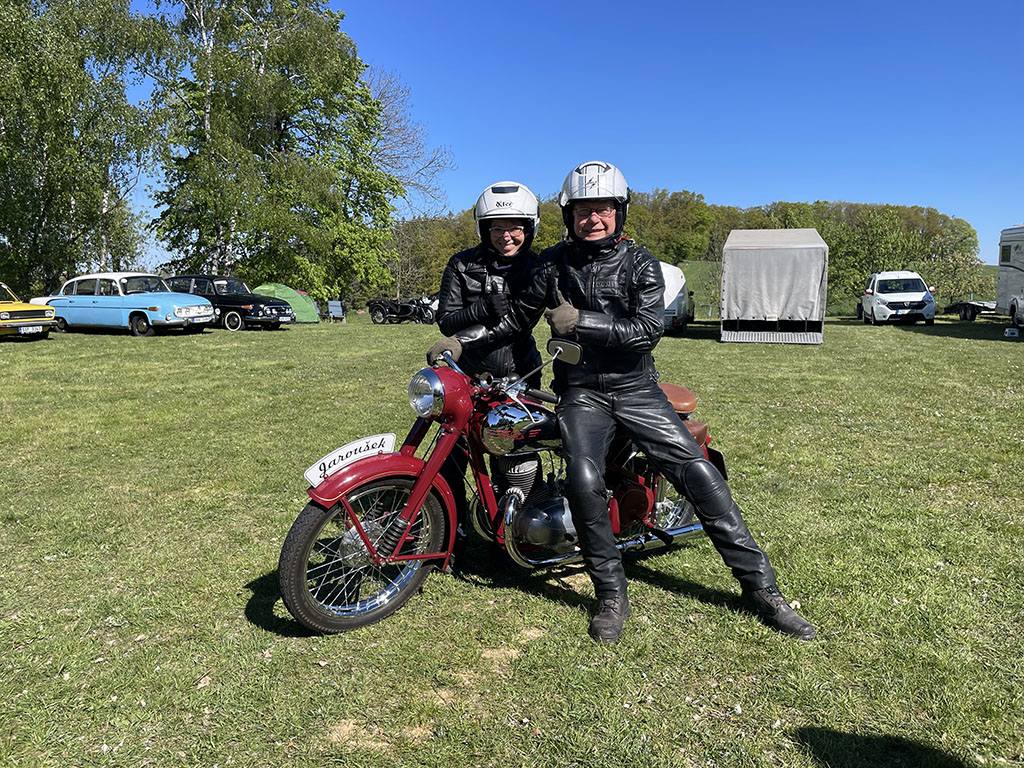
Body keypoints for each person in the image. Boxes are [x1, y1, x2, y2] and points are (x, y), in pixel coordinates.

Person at [512, 160, 815, 643]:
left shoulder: (640, 263)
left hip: (636, 389)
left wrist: (582, 322)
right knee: (583, 478)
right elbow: (516, 318)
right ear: (569, 215)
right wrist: (463, 343)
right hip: (581, 392)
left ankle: (763, 590)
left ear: (620, 212)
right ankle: (611, 594)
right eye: (584, 210)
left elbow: (646, 332)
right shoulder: (550, 265)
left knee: (700, 474)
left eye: (604, 208)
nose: (594, 218)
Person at [426, 181, 544, 547]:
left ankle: (519, 531)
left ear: (529, 228)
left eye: (515, 227)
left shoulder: (539, 267)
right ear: (484, 229)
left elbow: (522, 322)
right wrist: (480, 309)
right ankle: (451, 535)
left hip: (520, 370)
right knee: (453, 454)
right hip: (467, 372)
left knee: (514, 452)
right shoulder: (462, 263)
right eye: (496, 228)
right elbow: (446, 320)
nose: (506, 236)